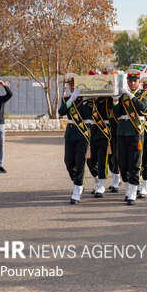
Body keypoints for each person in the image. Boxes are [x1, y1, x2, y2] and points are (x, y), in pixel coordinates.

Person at [113, 69, 147, 206]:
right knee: (122, 164)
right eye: (130, 81)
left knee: (134, 163)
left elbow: (144, 108)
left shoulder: (144, 94)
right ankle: (128, 189)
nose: (132, 83)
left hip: (136, 132)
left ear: (139, 82)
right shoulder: (123, 96)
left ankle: (133, 193)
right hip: (122, 132)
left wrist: (130, 95)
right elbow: (116, 114)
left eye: (135, 81)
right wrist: (116, 100)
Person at [58, 73, 92, 204]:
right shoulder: (67, 98)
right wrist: (71, 99)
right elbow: (61, 112)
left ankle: (77, 190)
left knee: (80, 162)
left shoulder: (86, 98)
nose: (71, 87)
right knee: (68, 162)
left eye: (73, 84)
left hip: (82, 134)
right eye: (70, 85)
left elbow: (88, 115)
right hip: (70, 133)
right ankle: (78, 182)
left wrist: (84, 100)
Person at [85, 70, 115, 198]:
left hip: (103, 131)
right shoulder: (88, 98)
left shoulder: (107, 98)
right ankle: (97, 181)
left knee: (102, 159)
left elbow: (110, 114)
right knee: (90, 160)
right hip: (90, 130)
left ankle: (101, 186)